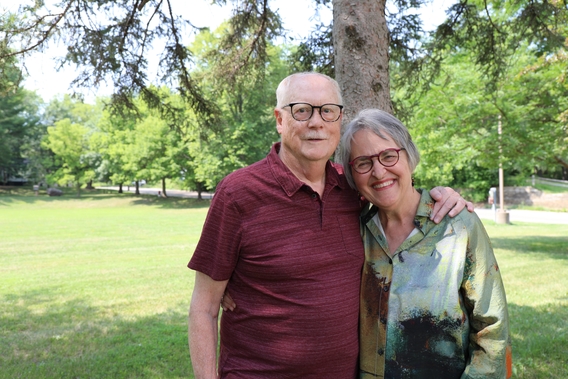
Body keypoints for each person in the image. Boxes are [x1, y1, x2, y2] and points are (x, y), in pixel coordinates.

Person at [187, 72, 472, 379]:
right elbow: (203, 308)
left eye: (327, 111)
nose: (316, 122)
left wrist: (439, 196)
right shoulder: (238, 193)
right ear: (279, 120)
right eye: (302, 110)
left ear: (338, 120)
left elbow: (395, 191)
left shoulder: (353, 189)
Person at [338, 109, 512, 378]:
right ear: (353, 175)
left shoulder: (457, 225)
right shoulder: (355, 231)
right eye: (363, 162)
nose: (379, 171)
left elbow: (492, 329)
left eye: (388, 155)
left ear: (409, 156)